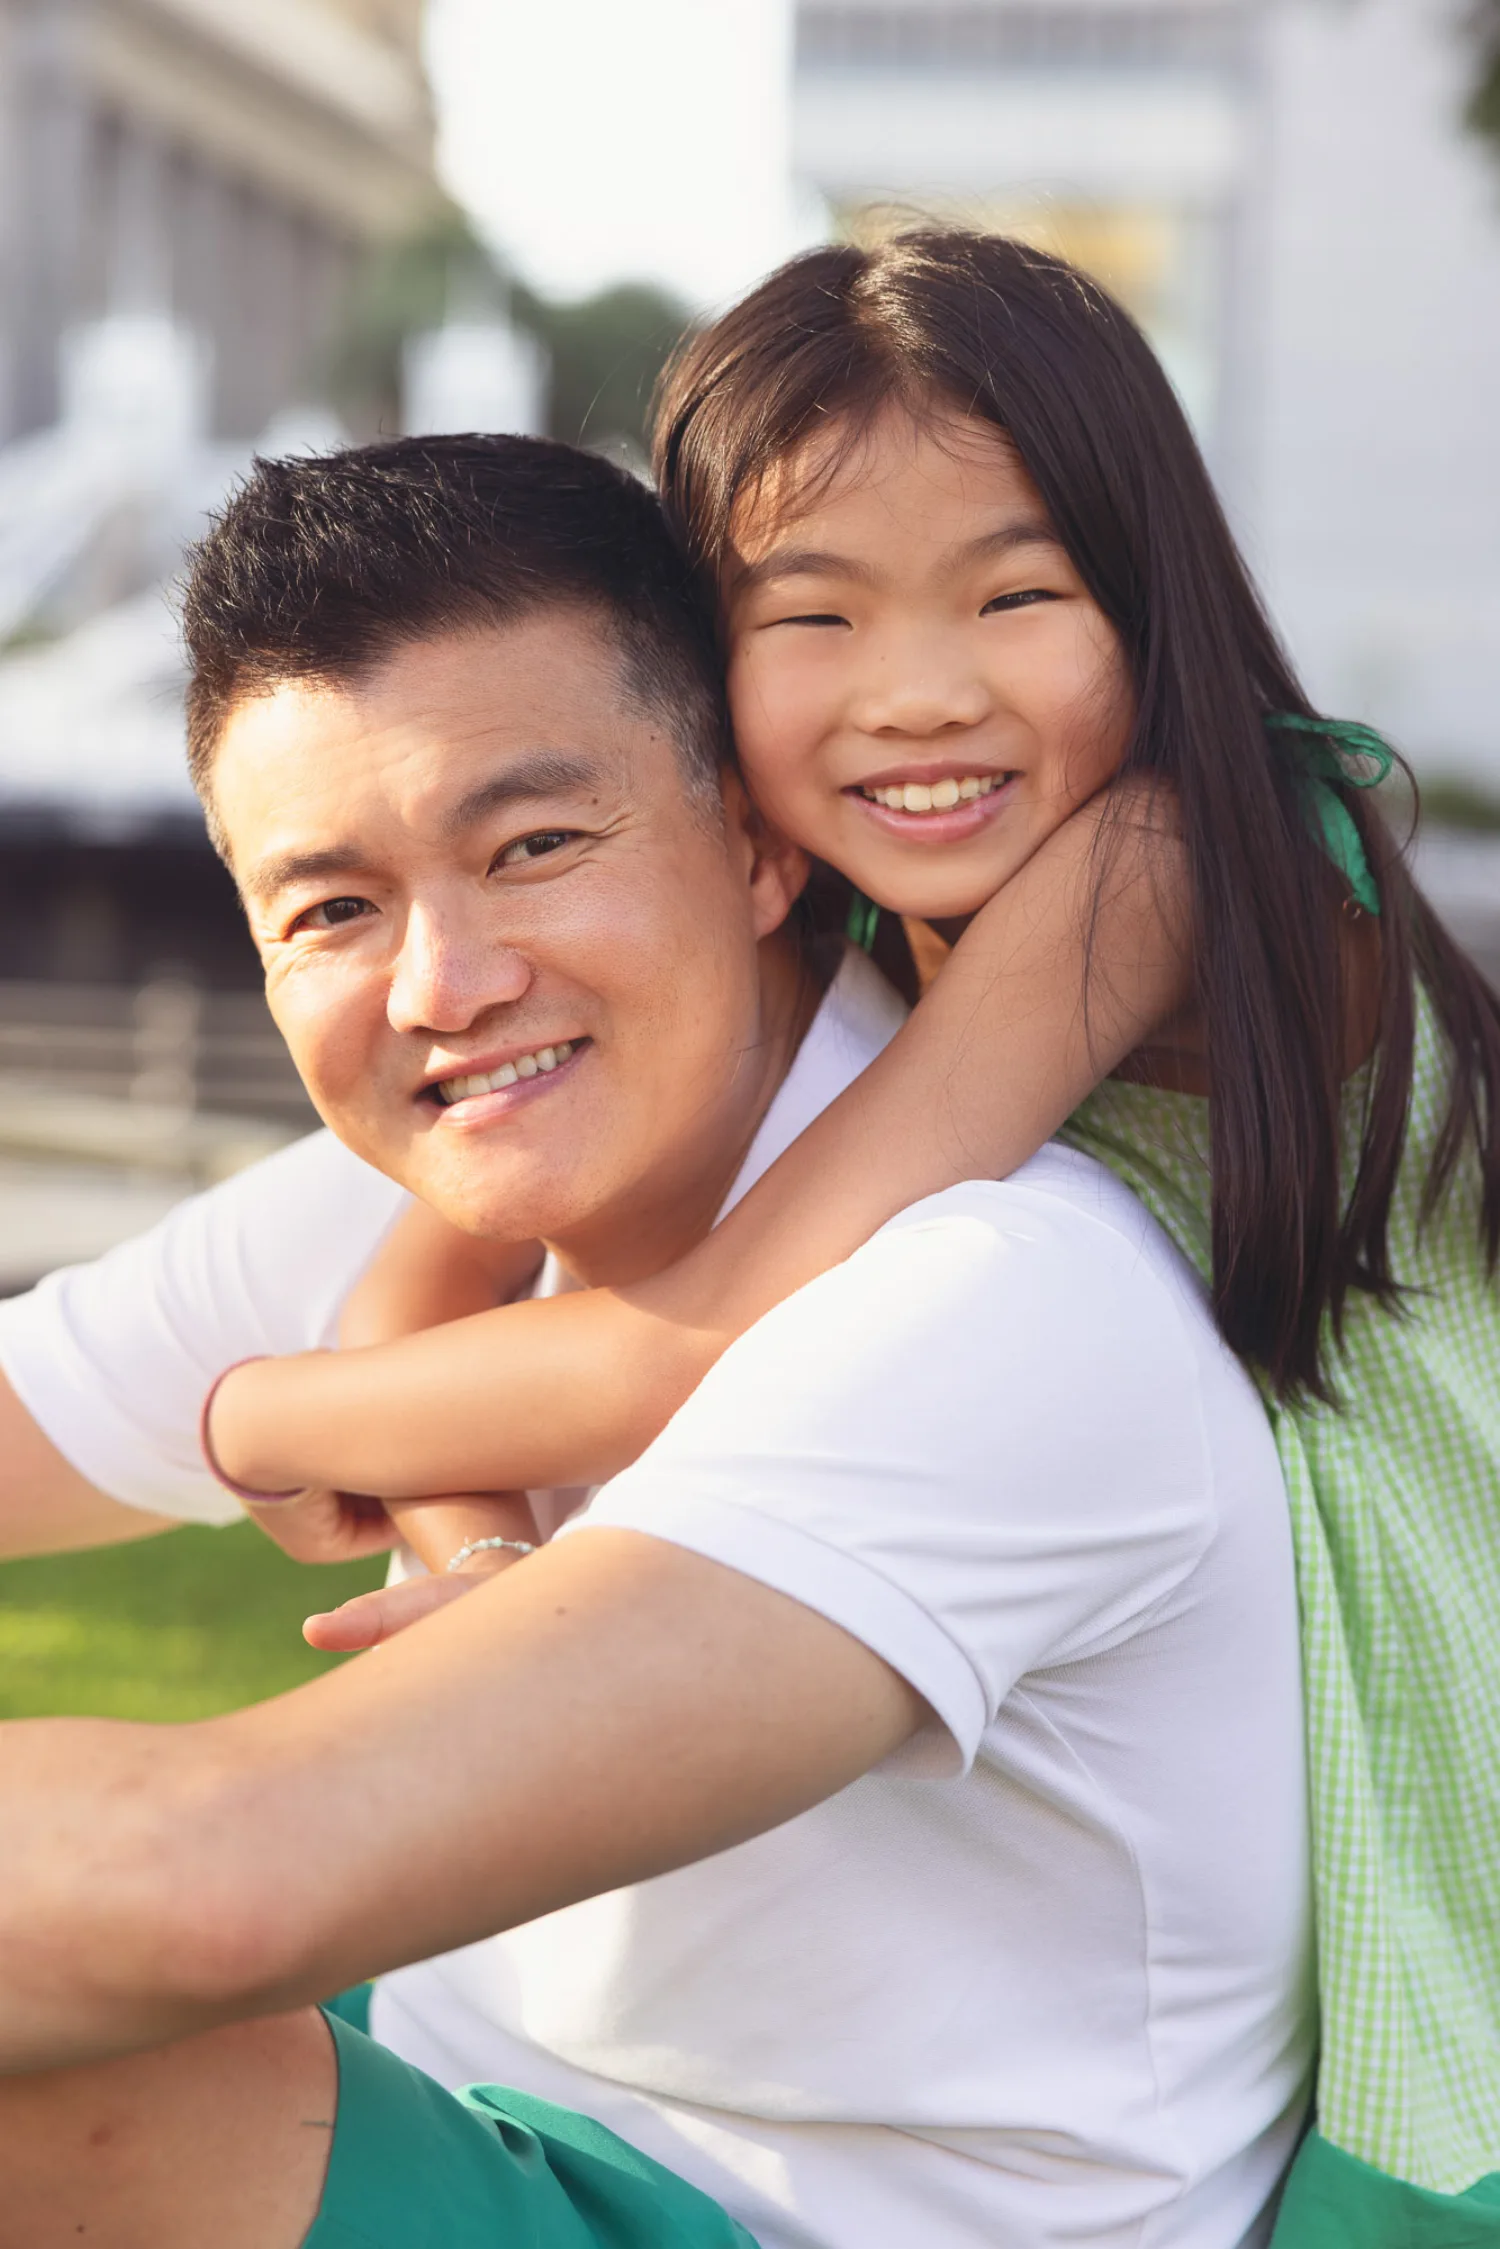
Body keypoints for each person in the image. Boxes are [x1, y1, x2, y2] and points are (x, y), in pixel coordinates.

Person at [206, 235, 1500, 2247]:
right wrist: (476, 1554)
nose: (919, 691)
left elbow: (687, 1336)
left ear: (1146, 606)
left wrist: (252, 1417)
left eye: (1017, 594)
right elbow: (425, 1278)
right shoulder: (839, 888)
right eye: (812, 613)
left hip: (1404, 1543)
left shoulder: (1163, 841)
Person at [0, 433, 1312, 2249]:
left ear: (761, 840)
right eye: (333, 911)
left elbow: (197, 1885)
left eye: (534, 845)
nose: (442, 988)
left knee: (75, 2069)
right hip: (519, 2112)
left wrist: (261, 1414)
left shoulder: (1002, 1297)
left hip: (818, 2225)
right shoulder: (453, 1171)